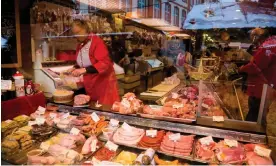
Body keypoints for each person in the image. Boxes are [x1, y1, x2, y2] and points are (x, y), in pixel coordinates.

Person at [67, 19, 120, 105]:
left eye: (78, 32)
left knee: (105, 111)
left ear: (85, 29)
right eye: (74, 33)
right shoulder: (80, 44)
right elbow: (84, 61)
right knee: (94, 110)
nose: (76, 36)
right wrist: (75, 67)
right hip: (91, 84)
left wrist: (83, 70)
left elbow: (105, 63)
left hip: (103, 85)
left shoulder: (96, 42)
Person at [239, 28, 276, 122]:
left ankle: (253, 135)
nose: (252, 40)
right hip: (267, 84)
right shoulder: (271, 43)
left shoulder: (267, 46)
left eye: (253, 37)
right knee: (260, 113)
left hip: (261, 86)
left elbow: (256, 66)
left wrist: (242, 68)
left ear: (257, 36)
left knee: (255, 116)